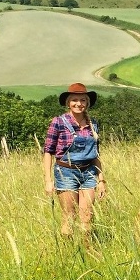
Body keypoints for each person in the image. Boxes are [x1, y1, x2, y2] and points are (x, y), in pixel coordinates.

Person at [43, 83, 107, 243]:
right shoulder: (58, 122)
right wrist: (48, 180)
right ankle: (68, 253)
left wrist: (101, 180)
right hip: (66, 173)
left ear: (87, 103)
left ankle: (88, 250)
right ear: (68, 103)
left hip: (88, 173)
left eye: (83, 100)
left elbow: (95, 154)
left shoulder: (93, 124)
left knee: (87, 218)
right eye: (75, 100)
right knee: (69, 217)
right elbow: (48, 152)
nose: (79, 104)